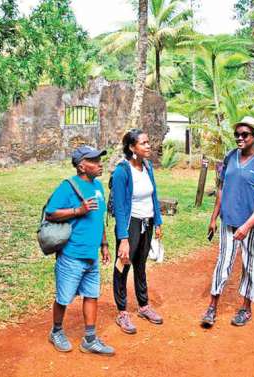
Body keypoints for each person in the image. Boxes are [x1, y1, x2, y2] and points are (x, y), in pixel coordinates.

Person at [201, 116, 254, 327]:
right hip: (229, 221)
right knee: (223, 262)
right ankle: (212, 307)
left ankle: (246, 308)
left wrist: (247, 226)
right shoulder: (230, 157)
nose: (239, 138)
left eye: (245, 134)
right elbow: (222, 189)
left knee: (250, 265)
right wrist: (214, 217)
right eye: (237, 134)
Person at [45, 146, 114, 356]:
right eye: (95, 161)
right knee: (64, 298)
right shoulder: (68, 187)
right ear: (82, 166)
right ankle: (56, 331)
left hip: (91, 254)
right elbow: (50, 213)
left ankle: (90, 339)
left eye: (100, 160)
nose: (100, 164)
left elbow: (99, 218)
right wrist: (78, 210)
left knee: (92, 296)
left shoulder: (98, 187)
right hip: (71, 255)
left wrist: (104, 245)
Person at [111, 129, 164, 335]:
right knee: (122, 266)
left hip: (147, 222)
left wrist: (157, 221)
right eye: (143, 143)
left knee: (141, 265)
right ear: (132, 148)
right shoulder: (122, 171)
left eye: (148, 142)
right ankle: (122, 311)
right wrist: (123, 238)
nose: (148, 146)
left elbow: (154, 195)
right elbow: (120, 207)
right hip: (129, 224)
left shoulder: (147, 167)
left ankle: (143, 306)